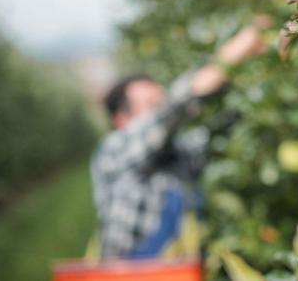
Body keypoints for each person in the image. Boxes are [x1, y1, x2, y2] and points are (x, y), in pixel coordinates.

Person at [90, 24, 267, 259]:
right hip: (129, 273)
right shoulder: (116, 149)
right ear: (122, 119)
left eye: (160, 99)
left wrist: (263, 72)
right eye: (152, 106)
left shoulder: (180, 148)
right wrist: (242, 44)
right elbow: (177, 105)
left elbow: (225, 125)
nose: (160, 110)